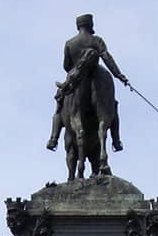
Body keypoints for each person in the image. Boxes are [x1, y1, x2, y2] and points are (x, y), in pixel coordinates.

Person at [48, 14, 130, 169]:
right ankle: (116, 140)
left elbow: (66, 66)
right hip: (98, 78)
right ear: (90, 25)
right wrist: (119, 75)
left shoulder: (70, 43)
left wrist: (76, 71)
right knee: (112, 106)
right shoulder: (96, 40)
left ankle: (53, 137)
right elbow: (107, 57)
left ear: (78, 26)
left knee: (59, 104)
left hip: (77, 79)